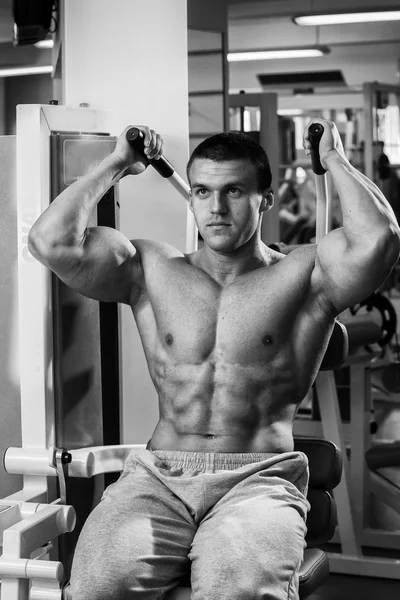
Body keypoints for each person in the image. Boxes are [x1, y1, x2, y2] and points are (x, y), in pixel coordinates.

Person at [28, 119, 400, 600]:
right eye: (202, 191)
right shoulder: (152, 269)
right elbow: (49, 241)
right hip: (159, 476)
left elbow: (380, 240)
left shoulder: (306, 274)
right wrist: (119, 162)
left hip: (258, 477)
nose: (216, 207)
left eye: (234, 191)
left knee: (236, 590)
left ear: (264, 199)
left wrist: (333, 159)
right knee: (99, 584)